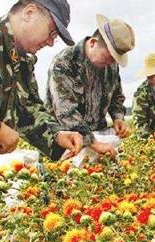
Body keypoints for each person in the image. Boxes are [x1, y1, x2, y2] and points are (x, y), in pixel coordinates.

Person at [0, 0, 83, 160]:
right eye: (52, 31)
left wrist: (57, 135)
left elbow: (28, 108)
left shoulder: (22, 59)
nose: (51, 43)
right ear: (29, 13)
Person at [46, 14, 135, 156]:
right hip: (67, 144)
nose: (110, 63)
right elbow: (66, 113)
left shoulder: (111, 66)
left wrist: (118, 118)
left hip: (99, 137)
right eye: (108, 57)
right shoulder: (64, 64)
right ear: (93, 42)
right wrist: (94, 143)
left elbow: (116, 96)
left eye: (114, 60)